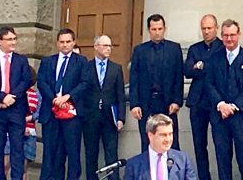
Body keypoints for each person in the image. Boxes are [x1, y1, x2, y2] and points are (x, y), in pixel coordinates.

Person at [205, 19, 243, 180]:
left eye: (232, 35)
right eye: (226, 35)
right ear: (221, 36)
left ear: (239, 34)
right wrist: (221, 104)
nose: (229, 39)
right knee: (222, 158)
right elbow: (209, 83)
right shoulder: (214, 58)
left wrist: (235, 106)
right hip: (219, 116)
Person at [0, 26, 32, 180]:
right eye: (9, 39)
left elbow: (26, 81)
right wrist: (2, 97)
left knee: (17, 149)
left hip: (16, 110)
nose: (13, 42)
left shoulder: (21, 60)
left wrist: (11, 97)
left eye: (14, 38)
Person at [39, 28, 89, 180]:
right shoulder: (47, 61)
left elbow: (85, 83)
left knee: (72, 152)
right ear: (57, 43)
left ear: (73, 43)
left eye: (68, 42)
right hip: (51, 112)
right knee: (50, 152)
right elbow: (41, 82)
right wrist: (54, 98)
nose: (65, 45)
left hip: (72, 114)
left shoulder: (81, 61)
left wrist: (67, 97)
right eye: (62, 42)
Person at [129, 14, 185, 151]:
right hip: (146, 103)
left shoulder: (174, 49)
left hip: (167, 103)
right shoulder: (139, 50)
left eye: (160, 28)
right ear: (149, 30)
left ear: (165, 28)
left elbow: (179, 77)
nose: (157, 32)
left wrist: (177, 101)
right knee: (147, 141)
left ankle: (172, 172)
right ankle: (149, 172)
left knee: (171, 142)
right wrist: (134, 104)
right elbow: (134, 78)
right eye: (154, 29)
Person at [184, 14, 223, 180]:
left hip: (216, 101)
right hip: (197, 101)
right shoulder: (195, 48)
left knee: (220, 144)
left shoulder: (223, 46)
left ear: (216, 28)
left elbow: (218, 70)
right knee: (199, 145)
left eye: (209, 28)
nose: (206, 31)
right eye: (204, 28)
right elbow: (187, 71)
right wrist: (199, 68)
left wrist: (201, 65)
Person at [83, 35, 126, 180]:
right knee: (91, 154)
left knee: (111, 154)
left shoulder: (116, 68)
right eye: (105, 45)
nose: (108, 48)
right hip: (91, 117)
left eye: (110, 46)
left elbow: (120, 94)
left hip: (110, 118)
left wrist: (121, 118)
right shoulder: (86, 67)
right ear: (96, 47)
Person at [123, 114, 196, 180]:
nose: (168, 139)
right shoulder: (133, 165)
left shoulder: (183, 160)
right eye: (163, 135)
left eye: (170, 134)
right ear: (150, 135)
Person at [4, 67, 39, 180]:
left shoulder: (37, 94)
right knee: (5, 165)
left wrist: (30, 119)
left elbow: (39, 112)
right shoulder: (11, 93)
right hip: (11, 132)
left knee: (23, 168)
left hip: (29, 133)